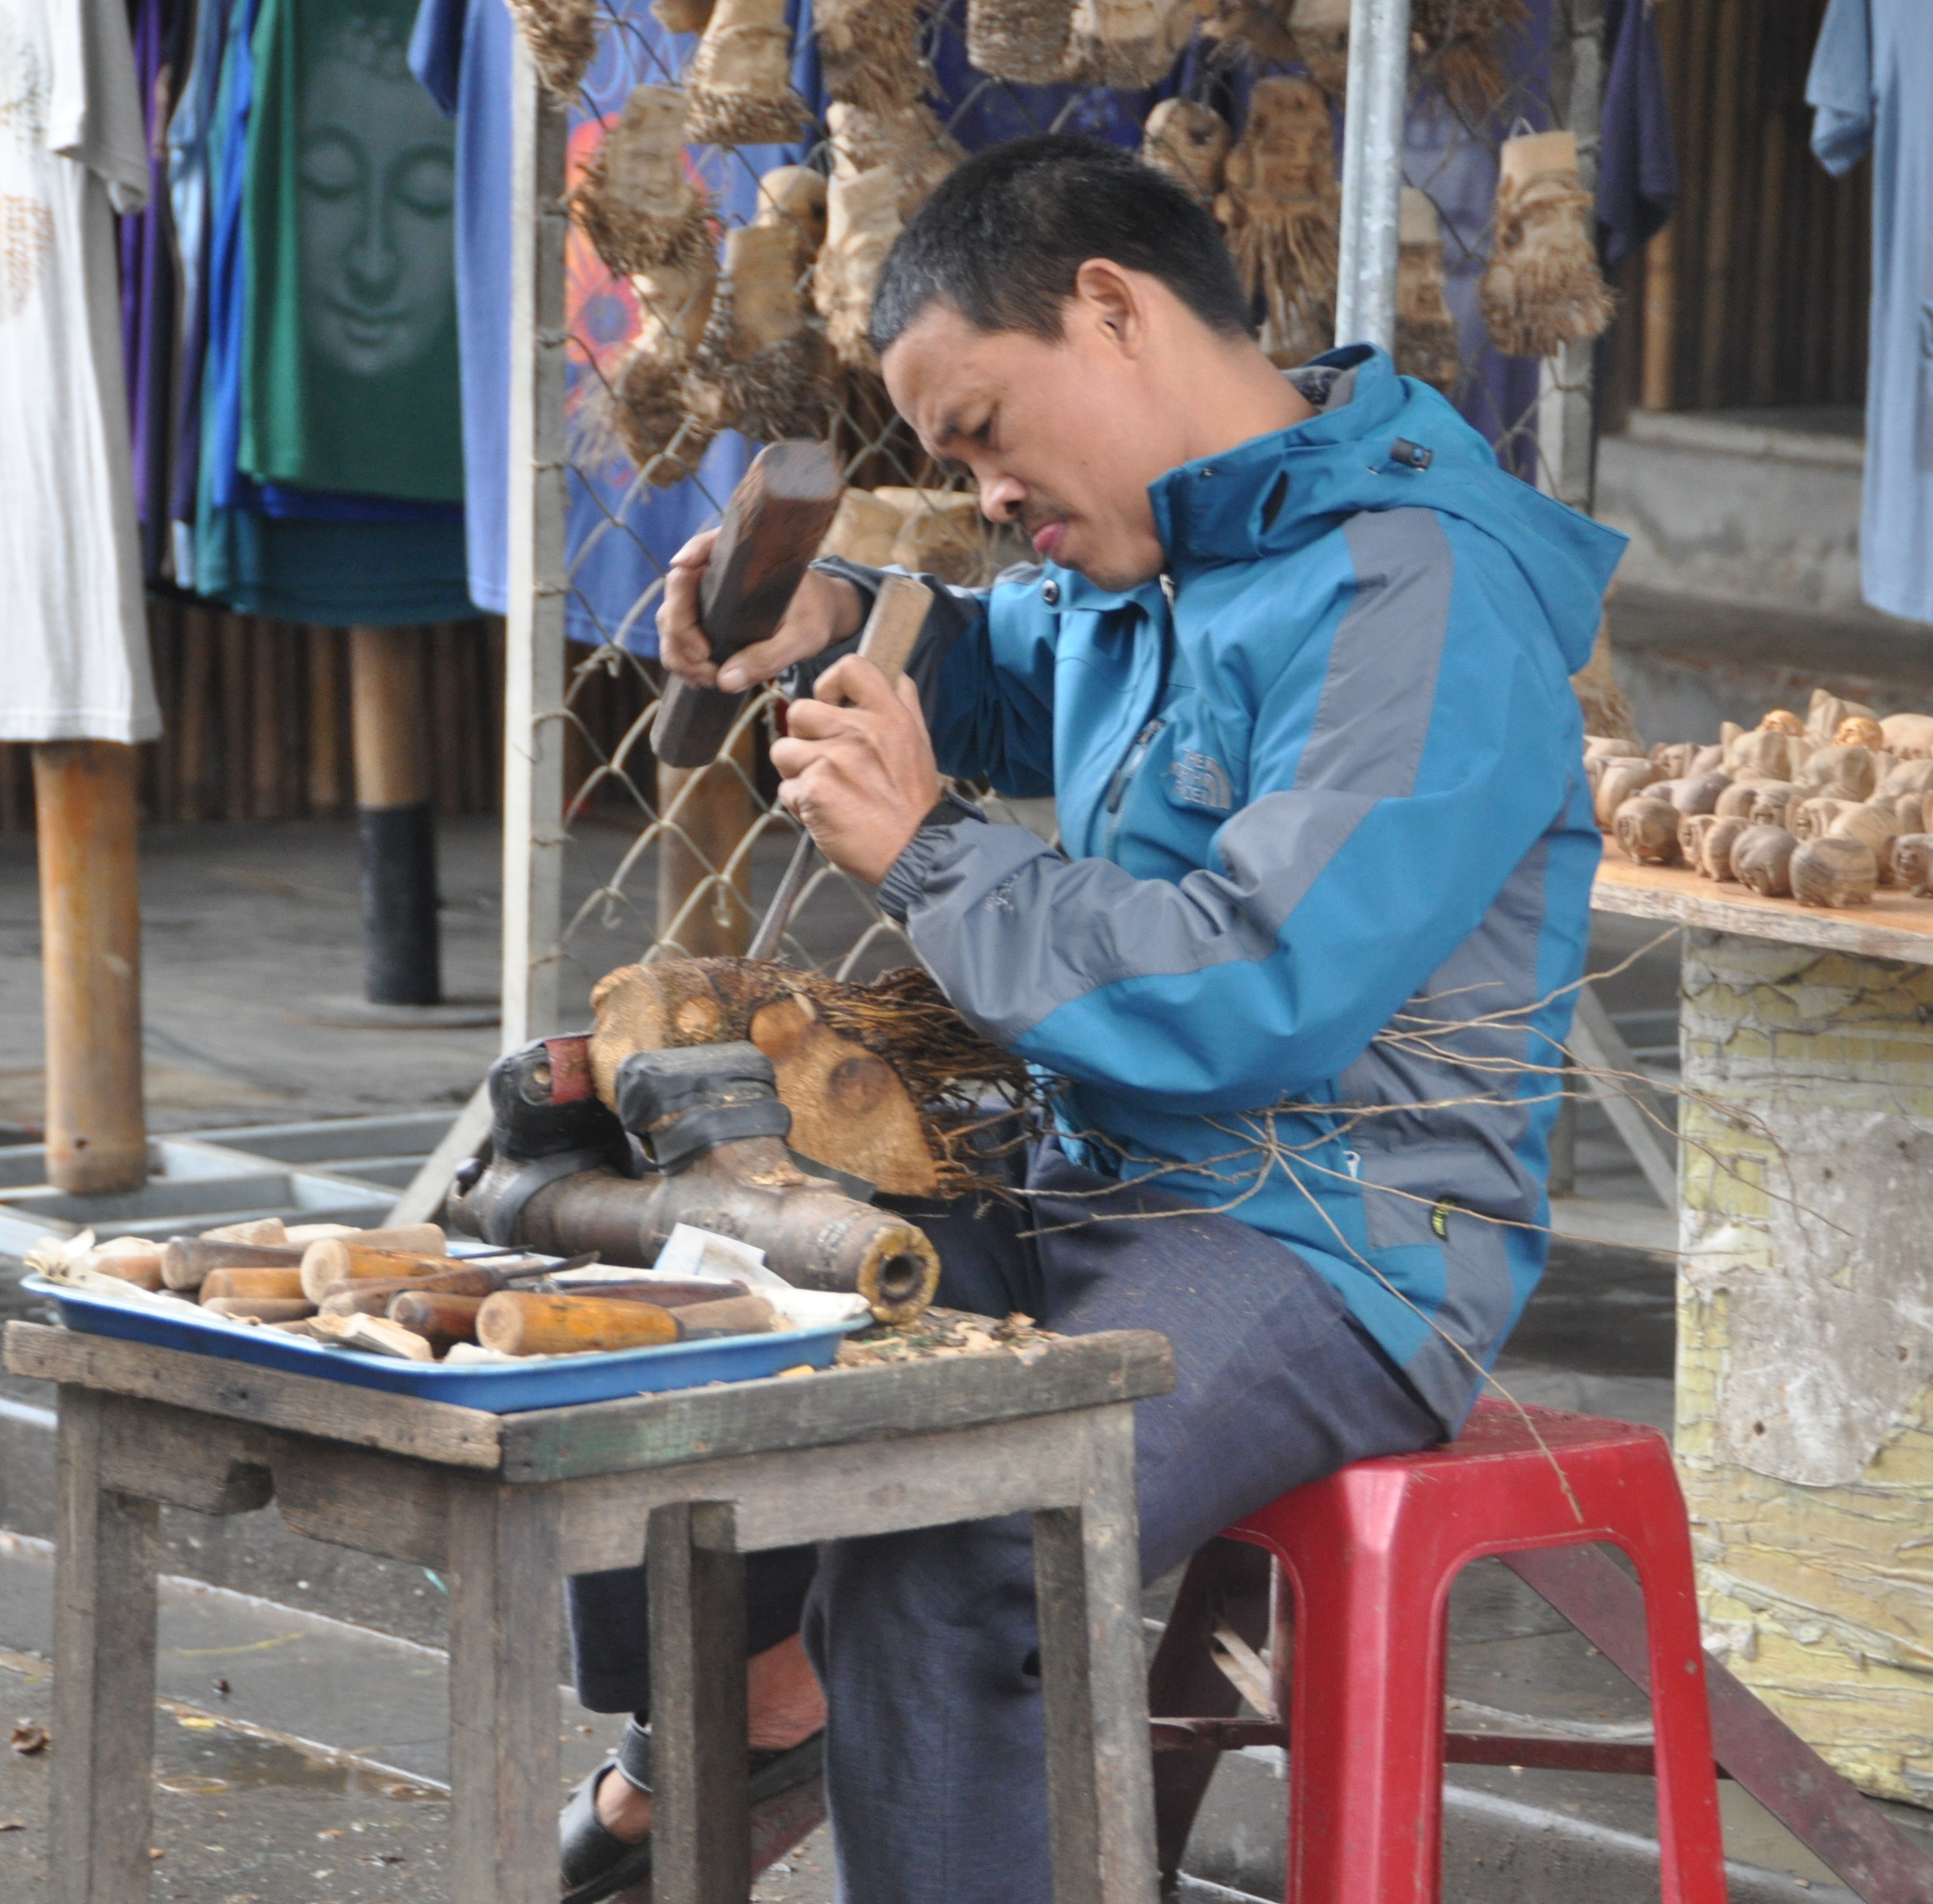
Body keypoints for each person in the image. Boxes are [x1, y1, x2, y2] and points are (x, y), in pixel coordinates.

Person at [556, 133, 1624, 1904]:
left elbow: (1262, 984)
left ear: (1111, 310)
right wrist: (846, 616)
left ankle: (780, 1733)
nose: (983, 490)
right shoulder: (1172, 555)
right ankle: (741, 1721)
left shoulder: (1415, 587)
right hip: (1092, 1187)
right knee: (700, 1291)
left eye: (982, 430)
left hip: (1332, 1233)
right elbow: (1011, 666)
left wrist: (933, 852)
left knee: (973, 1513)